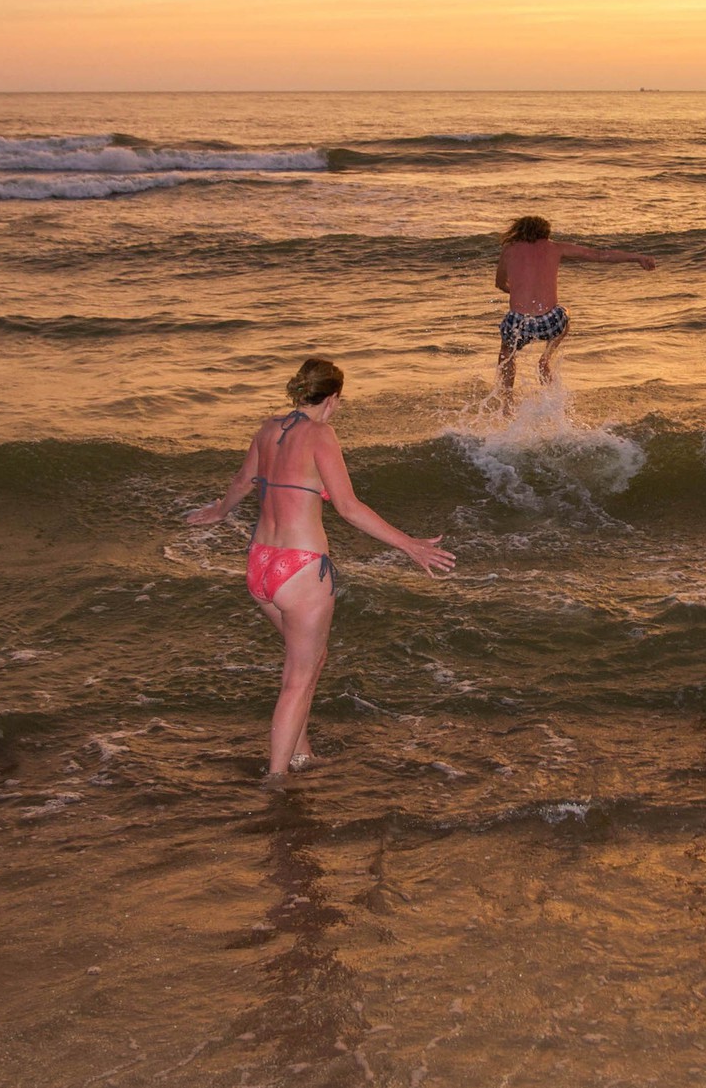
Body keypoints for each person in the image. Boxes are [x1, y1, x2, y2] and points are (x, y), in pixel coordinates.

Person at [186, 358, 454, 780]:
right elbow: (348, 507)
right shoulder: (321, 435)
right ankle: (276, 783)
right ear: (331, 399)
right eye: (339, 402)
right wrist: (409, 545)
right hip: (301, 570)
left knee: (309, 659)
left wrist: (219, 512)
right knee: (298, 677)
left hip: (260, 565)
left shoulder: (267, 428)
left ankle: (301, 752)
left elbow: (242, 482)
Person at [493, 215, 655, 403]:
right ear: (546, 233)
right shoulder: (555, 247)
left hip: (519, 322)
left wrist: (519, 290)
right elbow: (600, 255)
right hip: (550, 322)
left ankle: (506, 402)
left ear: (519, 230)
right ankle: (546, 359)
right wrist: (637, 257)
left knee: (507, 353)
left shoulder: (508, 250)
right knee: (564, 314)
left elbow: (500, 284)